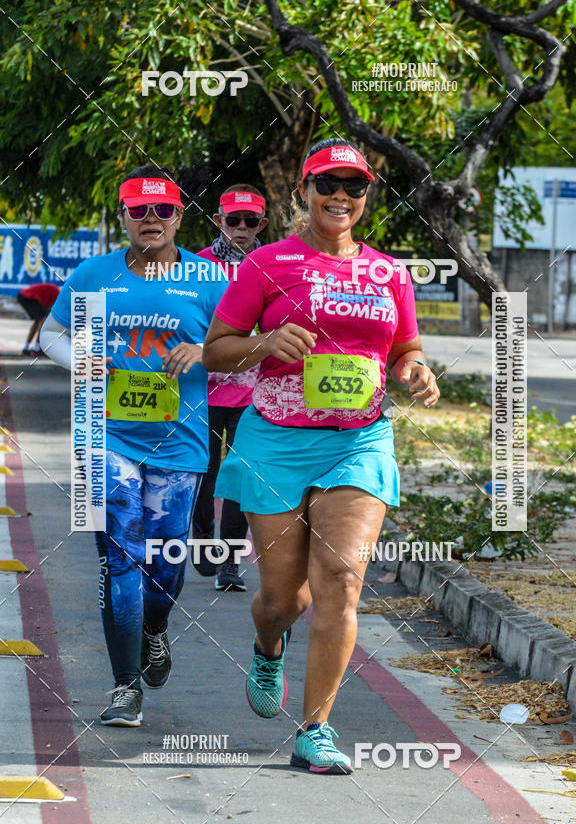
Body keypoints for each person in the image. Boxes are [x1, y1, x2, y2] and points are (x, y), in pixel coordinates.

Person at [202, 138, 440, 773]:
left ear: (366, 196)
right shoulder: (268, 266)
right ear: (302, 192)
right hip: (275, 440)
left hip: (358, 440)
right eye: (327, 184)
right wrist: (266, 341)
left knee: (339, 581)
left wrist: (416, 371)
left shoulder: (390, 273)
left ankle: (315, 730)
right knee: (286, 598)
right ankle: (266, 643)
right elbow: (216, 350)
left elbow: (404, 349)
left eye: (354, 186)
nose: (340, 195)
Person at [41, 164, 226, 726]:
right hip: (104, 434)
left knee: (165, 562)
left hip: (180, 443)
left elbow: (243, 350)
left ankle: (154, 629)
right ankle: (125, 687)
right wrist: (81, 361)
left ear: (179, 216)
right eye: (139, 210)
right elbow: (52, 334)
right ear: (123, 215)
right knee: (120, 556)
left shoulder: (210, 280)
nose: (151, 219)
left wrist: (205, 353)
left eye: (162, 210)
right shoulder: (94, 275)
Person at [191, 185, 268, 592]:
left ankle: (229, 562)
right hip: (201, 391)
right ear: (219, 221)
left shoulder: (273, 266)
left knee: (239, 474)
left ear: (262, 225)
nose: (240, 228)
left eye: (249, 221)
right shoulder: (196, 267)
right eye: (233, 220)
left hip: (254, 392)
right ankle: (202, 529)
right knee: (203, 470)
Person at [16, 282, 60, 355]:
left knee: (38, 322)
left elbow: (47, 308)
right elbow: (49, 310)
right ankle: (37, 349)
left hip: (23, 296)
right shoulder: (57, 295)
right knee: (43, 321)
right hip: (28, 297)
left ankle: (26, 348)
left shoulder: (55, 292)